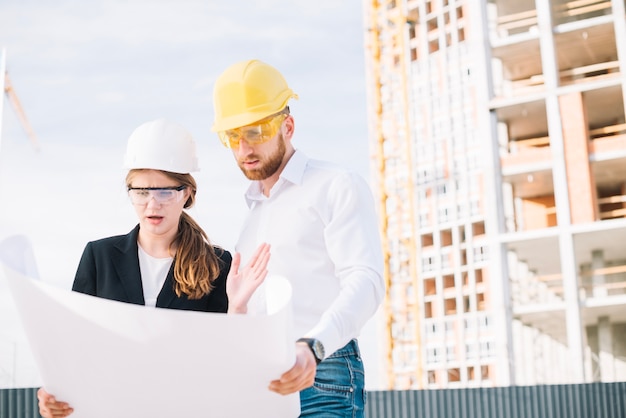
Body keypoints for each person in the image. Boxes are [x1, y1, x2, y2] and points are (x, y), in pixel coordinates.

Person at [37, 118, 270, 418]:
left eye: (164, 192)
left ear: (186, 193)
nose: (152, 205)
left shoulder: (217, 266)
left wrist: (238, 311)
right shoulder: (100, 257)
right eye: (142, 192)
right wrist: (52, 391)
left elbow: (229, 363)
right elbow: (75, 344)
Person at [211, 59, 385, 416]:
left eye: (255, 132)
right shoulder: (252, 218)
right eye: (232, 137)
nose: (243, 148)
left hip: (322, 370)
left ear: (287, 126)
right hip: (259, 379)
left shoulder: (335, 185)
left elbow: (365, 281)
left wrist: (314, 346)